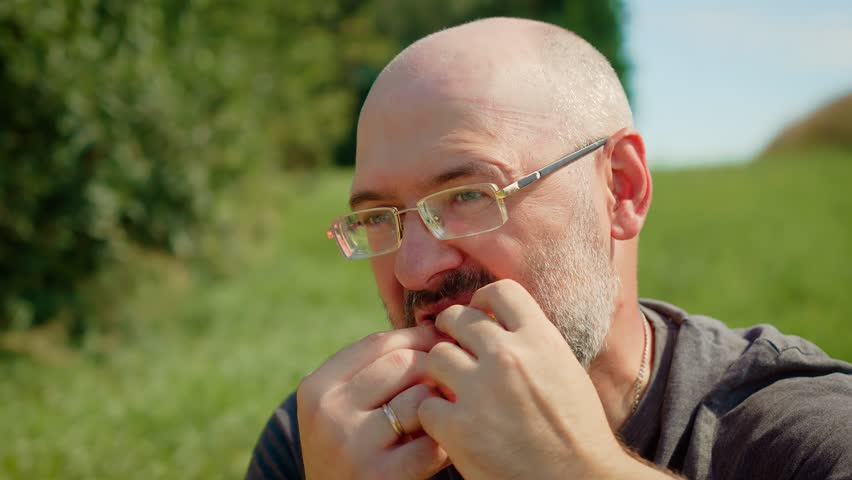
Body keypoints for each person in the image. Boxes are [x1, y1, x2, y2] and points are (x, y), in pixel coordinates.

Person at [246, 17, 852, 480]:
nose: (413, 269)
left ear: (620, 188)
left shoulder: (802, 435)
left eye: (468, 195)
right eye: (380, 218)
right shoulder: (329, 437)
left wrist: (579, 470)